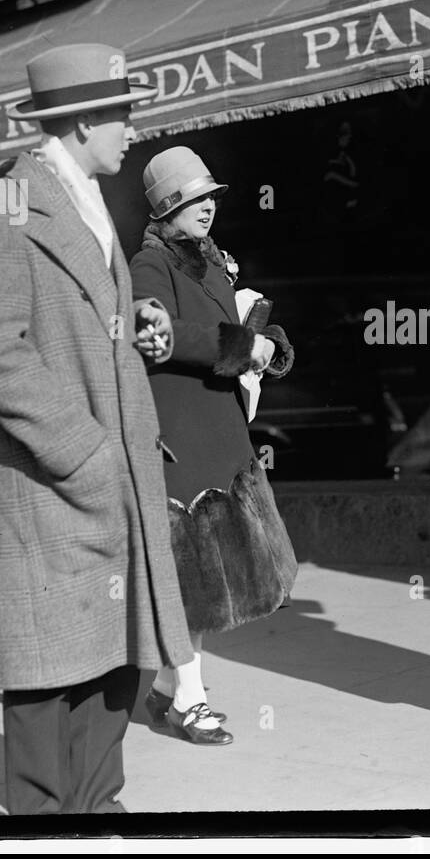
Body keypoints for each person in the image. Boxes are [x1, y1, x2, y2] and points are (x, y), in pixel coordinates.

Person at [0, 43, 194, 814]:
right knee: (47, 674)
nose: (132, 128)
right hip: (52, 483)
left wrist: (138, 325)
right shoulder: (3, 202)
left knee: (113, 658)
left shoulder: (86, 194)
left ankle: (97, 812)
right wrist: (84, 452)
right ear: (85, 118)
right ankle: (47, 827)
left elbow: (82, 316)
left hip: (103, 482)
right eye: (123, 113)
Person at [130, 146, 299, 744]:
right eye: (195, 198)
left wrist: (263, 339)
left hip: (218, 437)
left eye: (211, 197)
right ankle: (189, 701)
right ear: (169, 206)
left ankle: (161, 693)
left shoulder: (207, 261)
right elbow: (156, 333)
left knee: (200, 582)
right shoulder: (149, 266)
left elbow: (228, 322)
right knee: (191, 584)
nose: (208, 207)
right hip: (180, 440)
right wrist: (238, 346)